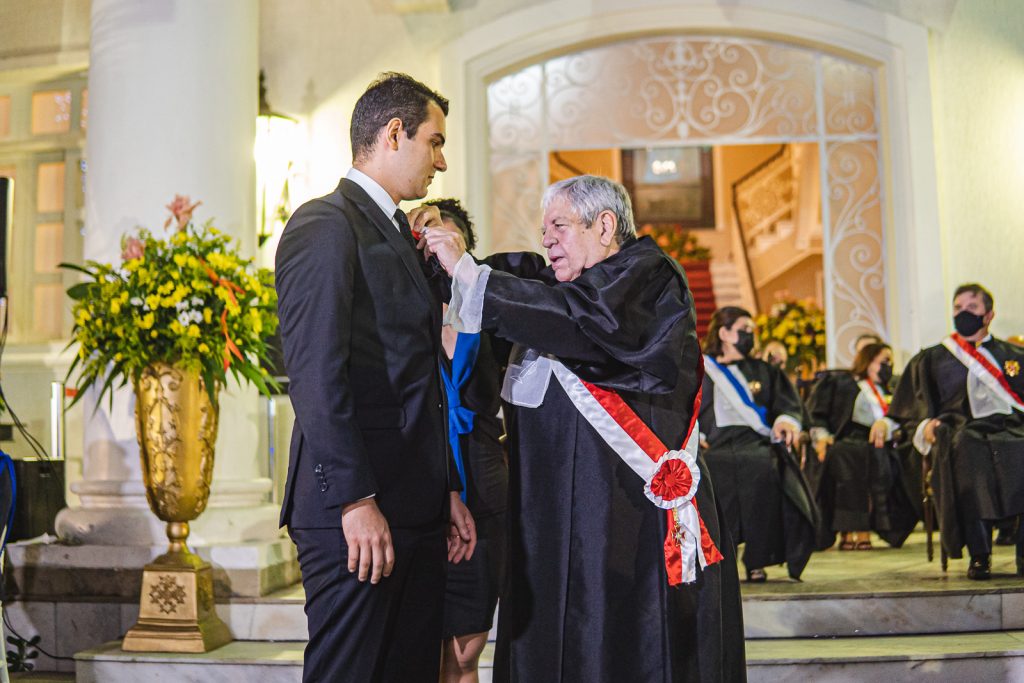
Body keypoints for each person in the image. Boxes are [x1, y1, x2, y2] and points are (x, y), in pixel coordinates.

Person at [418, 175, 745, 682]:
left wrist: (470, 274)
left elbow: (586, 321)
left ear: (606, 225)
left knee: (620, 646)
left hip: (620, 521)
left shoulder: (648, 277)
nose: (546, 239)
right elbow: (509, 284)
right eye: (544, 228)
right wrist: (433, 248)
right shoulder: (559, 286)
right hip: (548, 525)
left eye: (559, 226)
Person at [275, 72, 477, 682]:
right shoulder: (325, 224)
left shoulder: (396, 230)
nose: (441, 162)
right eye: (434, 142)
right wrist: (355, 499)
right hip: (355, 511)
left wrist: (443, 488)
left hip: (413, 504)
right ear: (395, 134)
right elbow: (315, 375)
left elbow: (415, 376)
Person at [425, 198, 509, 683]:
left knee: (464, 651)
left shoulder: (490, 323)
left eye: (447, 244)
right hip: (425, 485)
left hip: (484, 482)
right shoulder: (405, 323)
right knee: (424, 647)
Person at [889, 283, 1024, 580]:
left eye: (972, 308)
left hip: (1012, 428)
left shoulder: (1012, 354)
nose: (964, 313)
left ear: (989, 315)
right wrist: (926, 425)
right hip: (962, 430)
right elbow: (914, 405)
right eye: (958, 308)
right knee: (967, 455)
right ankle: (979, 555)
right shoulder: (933, 357)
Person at [698, 306, 817, 582]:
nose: (751, 336)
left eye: (753, 331)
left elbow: (787, 405)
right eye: (744, 330)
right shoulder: (700, 368)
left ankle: (757, 559)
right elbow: (684, 408)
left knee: (764, 469)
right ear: (725, 333)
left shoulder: (764, 370)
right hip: (713, 445)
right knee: (712, 474)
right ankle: (717, 559)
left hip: (755, 442)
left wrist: (786, 421)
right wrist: (695, 436)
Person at [807, 342, 918, 550]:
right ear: (868, 361)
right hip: (846, 440)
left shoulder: (891, 389)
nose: (889, 366)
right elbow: (817, 415)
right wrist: (821, 437)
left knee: (874, 459)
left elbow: (904, 420)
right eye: (884, 361)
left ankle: (864, 529)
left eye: (891, 362)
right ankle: (850, 531)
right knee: (847, 457)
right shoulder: (841, 382)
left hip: (880, 446)